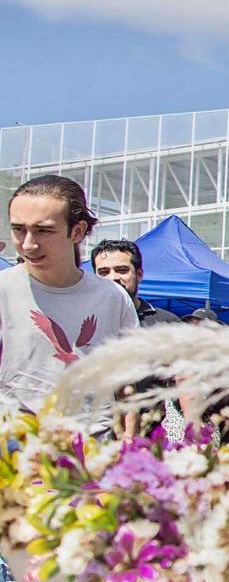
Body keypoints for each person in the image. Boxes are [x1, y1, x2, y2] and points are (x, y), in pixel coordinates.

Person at [1, 175, 137, 421]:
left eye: (44, 231)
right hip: (16, 447)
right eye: (19, 229)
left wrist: (127, 439)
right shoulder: (3, 289)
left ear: (77, 231)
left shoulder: (112, 297)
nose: (28, 244)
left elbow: (125, 382)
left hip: (93, 447)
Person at [91, 239, 181, 439]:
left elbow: (183, 384)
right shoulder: (85, 321)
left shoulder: (165, 323)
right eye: (103, 272)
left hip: (149, 437)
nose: (113, 278)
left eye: (122, 270)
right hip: (93, 438)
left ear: (139, 274)